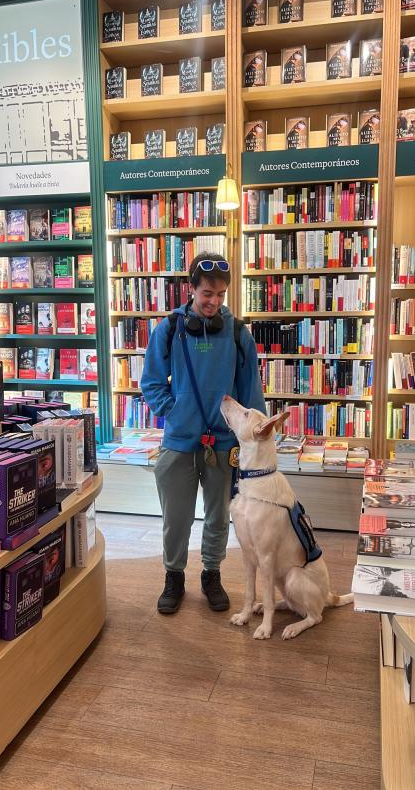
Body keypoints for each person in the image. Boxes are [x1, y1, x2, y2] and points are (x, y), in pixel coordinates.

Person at [141, 253, 266, 615]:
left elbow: (251, 395)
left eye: (221, 295)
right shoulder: (168, 329)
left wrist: (251, 439)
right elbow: (150, 381)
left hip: (224, 445)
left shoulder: (239, 334)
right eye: (207, 293)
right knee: (175, 517)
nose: (213, 301)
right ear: (191, 288)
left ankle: (212, 574)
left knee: (217, 516)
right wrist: (174, 411)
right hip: (179, 442)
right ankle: (173, 576)